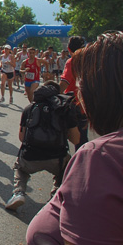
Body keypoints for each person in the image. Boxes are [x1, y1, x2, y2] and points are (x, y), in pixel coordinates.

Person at [27, 31, 123, 244]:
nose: (78, 87)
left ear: (100, 89)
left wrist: (48, 96)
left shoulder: (100, 157)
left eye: (83, 80)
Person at [5, 81, 79, 211]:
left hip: (30, 157)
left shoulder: (30, 108)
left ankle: (19, 192)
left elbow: (22, 137)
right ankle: (56, 195)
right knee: (67, 168)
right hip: (57, 158)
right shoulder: (64, 108)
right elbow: (76, 138)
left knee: (20, 168)